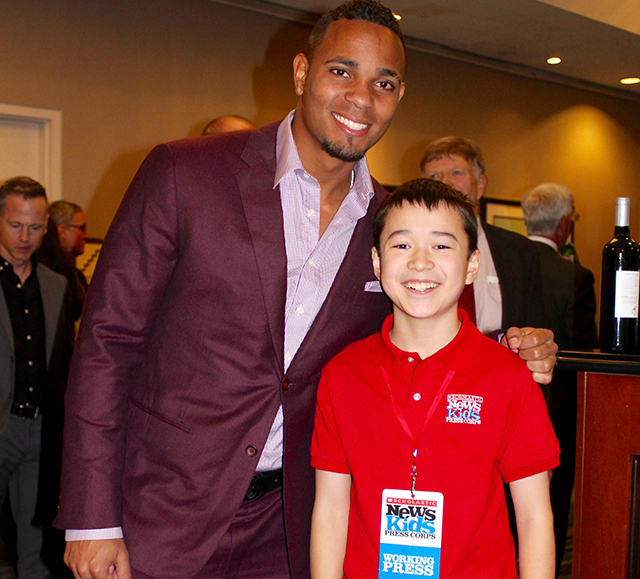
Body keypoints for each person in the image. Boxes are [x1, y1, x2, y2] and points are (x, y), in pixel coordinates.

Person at [56, 3, 557, 579]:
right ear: (301, 73)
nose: (362, 98)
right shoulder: (184, 173)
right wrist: (93, 520)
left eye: (384, 82)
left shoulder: (390, 223)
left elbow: (418, 331)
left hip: (293, 528)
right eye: (341, 71)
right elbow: (107, 343)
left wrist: (510, 348)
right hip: (161, 514)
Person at [310, 179, 559, 579]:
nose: (420, 262)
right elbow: (331, 511)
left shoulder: (509, 377)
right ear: (376, 261)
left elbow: (533, 518)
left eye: (442, 245)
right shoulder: (342, 376)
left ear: (471, 265)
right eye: (402, 245)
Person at [521, 182, 598, 575]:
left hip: (499, 403)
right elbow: (587, 352)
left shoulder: (502, 262)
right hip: (558, 414)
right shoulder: (575, 277)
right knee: (549, 510)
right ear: (565, 225)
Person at [0, 177, 72, 579]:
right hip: (2, 424)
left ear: (46, 224)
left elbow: (66, 362)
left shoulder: (55, 284)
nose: (25, 237)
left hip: (41, 432)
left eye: (35, 226)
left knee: (36, 548)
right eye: (15, 226)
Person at [421, 137, 545, 334]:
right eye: (435, 176)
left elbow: (534, 331)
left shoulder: (521, 253)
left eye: (457, 173)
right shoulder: (409, 254)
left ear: (480, 185)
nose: (445, 182)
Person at [37, 202, 88, 323]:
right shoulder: (47, 274)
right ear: (62, 230)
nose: (86, 235)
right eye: (81, 228)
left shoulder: (74, 275)